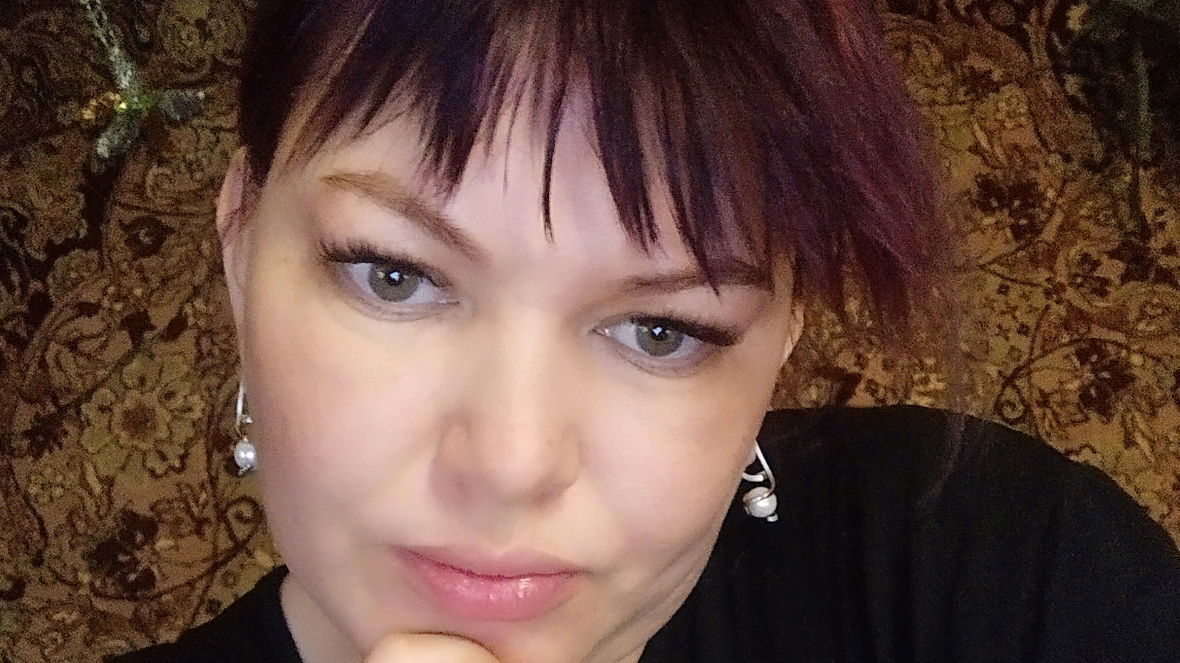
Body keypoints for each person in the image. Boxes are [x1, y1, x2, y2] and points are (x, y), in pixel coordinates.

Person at [112, 0, 1180, 662]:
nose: (513, 461)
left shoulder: (1001, 569)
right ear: (240, 240)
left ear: (786, 331)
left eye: (661, 330)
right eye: (396, 277)